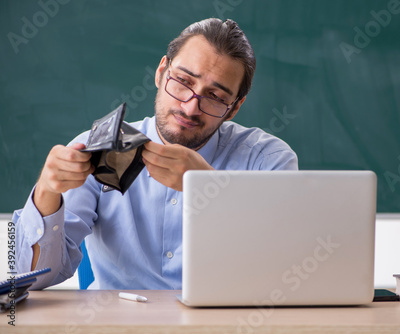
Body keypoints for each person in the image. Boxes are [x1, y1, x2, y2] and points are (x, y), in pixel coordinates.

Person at [13, 18, 298, 290]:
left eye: (215, 97)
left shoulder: (268, 160)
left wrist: (209, 187)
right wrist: (47, 192)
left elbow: (287, 270)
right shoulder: (95, 147)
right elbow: (31, 278)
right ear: (161, 73)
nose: (190, 108)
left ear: (234, 108)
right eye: (184, 81)